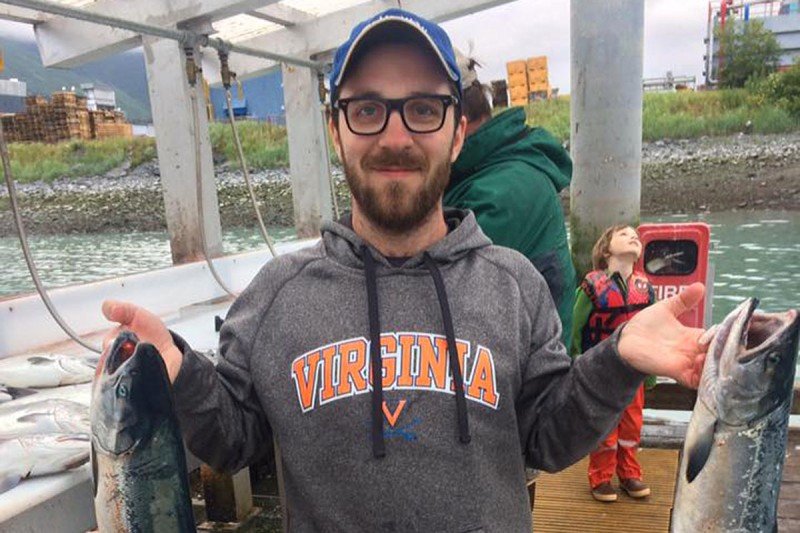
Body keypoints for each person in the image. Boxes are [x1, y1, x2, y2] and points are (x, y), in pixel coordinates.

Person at [101, 9, 708, 532]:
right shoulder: (275, 296)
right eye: (367, 109)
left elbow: (547, 438)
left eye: (422, 108)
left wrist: (617, 359)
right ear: (336, 130)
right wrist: (178, 373)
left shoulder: (513, 282)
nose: (395, 136)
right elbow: (235, 439)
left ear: (457, 131)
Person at [444, 49, 576, 348]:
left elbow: (435, 300)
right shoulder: (488, 170)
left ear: (457, 126)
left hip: (527, 382)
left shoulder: (500, 194)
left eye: (422, 114)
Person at [570, 225, 656, 503]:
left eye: (636, 236)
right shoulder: (591, 287)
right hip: (602, 369)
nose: (634, 237)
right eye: (624, 234)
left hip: (634, 369)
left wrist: (651, 370)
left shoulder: (645, 288)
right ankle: (601, 476)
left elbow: (652, 329)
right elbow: (575, 327)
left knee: (632, 425)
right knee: (605, 425)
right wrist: (577, 363)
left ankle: (629, 473)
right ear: (606, 250)